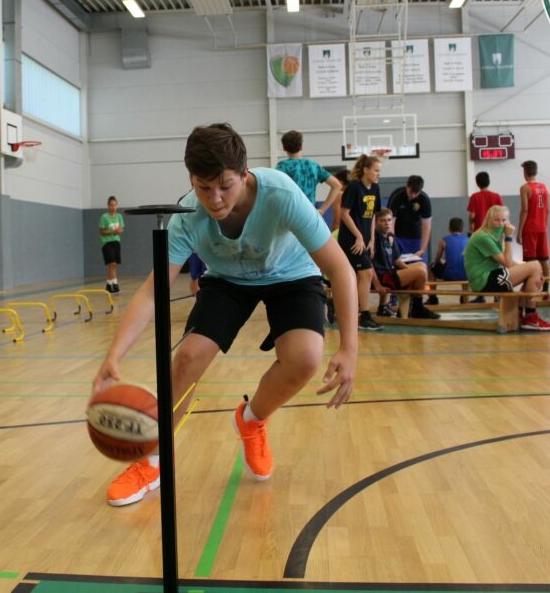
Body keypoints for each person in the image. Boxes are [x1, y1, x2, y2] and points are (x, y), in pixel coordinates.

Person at [91, 123, 358, 507]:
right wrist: (114, 354)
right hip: (228, 280)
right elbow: (152, 293)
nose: (214, 199)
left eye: (225, 186)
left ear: (244, 174)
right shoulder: (187, 216)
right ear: (191, 180)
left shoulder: (282, 194)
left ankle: (253, 418)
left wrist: (349, 349)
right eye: (203, 188)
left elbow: (340, 269)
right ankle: (152, 461)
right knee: (186, 359)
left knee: (305, 359)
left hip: (292, 275)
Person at [464, 205, 550, 331]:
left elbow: (509, 262)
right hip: (483, 280)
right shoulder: (483, 237)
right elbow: (507, 263)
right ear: (488, 220)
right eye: (496, 220)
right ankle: (530, 316)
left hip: (488, 277)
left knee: (534, 268)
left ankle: (521, 313)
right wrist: (508, 238)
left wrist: (534, 273)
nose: (501, 224)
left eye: (504, 220)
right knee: (535, 265)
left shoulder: (492, 235)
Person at [338, 154, 384, 331]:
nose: (378, 174)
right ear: (365, 170)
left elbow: (372, 216)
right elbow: (344, 214)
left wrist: (371, 239)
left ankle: (341, 306)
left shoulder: (375, 188)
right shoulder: (354, 186)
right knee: (366, 274)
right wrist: (358, 236)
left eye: (379, 171)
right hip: (350, 239)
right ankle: (364, 316)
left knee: (358, 276)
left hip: (363, 240)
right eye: (376, 170)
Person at [372, 209, 439, 319]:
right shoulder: (374, 237)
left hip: (390, 272)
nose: (387, 223)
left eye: (389, 220)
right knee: (420, 272)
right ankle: (416, 308)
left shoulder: (390, 237)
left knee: (421, 266)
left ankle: (412, 307)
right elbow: (369, 264)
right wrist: (377, 285)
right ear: (375, 223)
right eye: (382, 221)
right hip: (382, 277)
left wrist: (409, 270)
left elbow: (396, 260)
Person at [275, 130, 343, 216]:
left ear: (284, 148)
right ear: (301, 146)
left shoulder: (282, 167)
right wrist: (323, 209)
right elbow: (337, 185)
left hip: (291, 214)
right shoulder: (313, 166)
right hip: (310, 214)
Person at [517, 161, 550, 297]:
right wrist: (545, 226)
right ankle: (546, 289)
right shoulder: (544, 187)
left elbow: (525, 209)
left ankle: (530, 289)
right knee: (544, 260)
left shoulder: (525, 188)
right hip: (542, 228)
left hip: (530, 228)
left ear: (525, 172)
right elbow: (548, 210)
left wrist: (520, 230)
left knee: (530, 262)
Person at [387, 175, 432, 261]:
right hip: (399, 236)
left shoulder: (424, 200)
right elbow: (390, 223)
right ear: (407, 186)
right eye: (411, 192)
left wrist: (423, 249)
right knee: (399, 263)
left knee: (418, 264)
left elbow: (426, 226)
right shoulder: (397, 196)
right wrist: (392, 244)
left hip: (416, 237)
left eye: (416, 193)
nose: (413, 195)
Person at [99, 196, 125, 293]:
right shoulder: (104, 217)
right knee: (112, 263)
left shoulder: (119, 217)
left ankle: (109, 284)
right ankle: (115, 284)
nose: (113, 207)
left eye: (114, 205)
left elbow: (121, 229)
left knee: (113, 265)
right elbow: (101, 231)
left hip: (116, 242)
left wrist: (119, 231)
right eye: (111, 205)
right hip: (107, 242)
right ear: (108, 206)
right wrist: (113, 231)